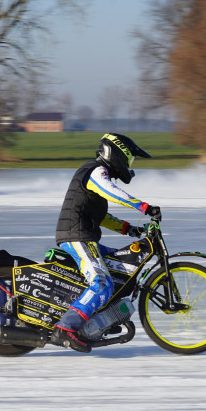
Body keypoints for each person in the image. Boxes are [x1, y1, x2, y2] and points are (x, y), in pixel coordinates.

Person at [51, 133, 161, 353]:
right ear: (117, 153)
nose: (129, 166)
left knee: (121, 266)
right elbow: (113, 193)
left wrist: (130, 229)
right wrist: (145, 207)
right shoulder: (96, 171)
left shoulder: (97, 175)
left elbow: (101, 217)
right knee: (102, 283)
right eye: (129, 159)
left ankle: (100, 317)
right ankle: (66, 328)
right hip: (77, 235)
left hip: (82, 235)